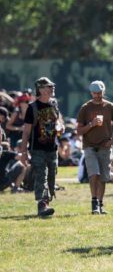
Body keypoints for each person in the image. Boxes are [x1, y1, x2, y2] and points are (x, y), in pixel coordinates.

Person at [20, 77, 64, 216]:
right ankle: (42, 205)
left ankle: (46, 202)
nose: (52, 88)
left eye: (52, 86)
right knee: (41, 175)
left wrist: (60, 127)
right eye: (49, 86)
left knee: (52, 176)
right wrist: (23, 152)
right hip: (37, 148)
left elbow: (59, 120)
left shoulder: (54, 104)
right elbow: (26, 131)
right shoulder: (32, 108)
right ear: (41, 89)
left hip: (52, 148)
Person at [76, 80, 113, 215]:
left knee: (103, 177)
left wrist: (112, 141)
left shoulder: (111, 107)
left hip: (105, 147)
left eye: (99, 93)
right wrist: (91, 124)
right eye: (95, 93)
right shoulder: (85, 108)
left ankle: (101, 204)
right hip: (89, 146)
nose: (97, 95)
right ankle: (94, 202)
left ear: (103, 91)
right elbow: (78, 131)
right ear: (91, 92)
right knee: (94, 174)